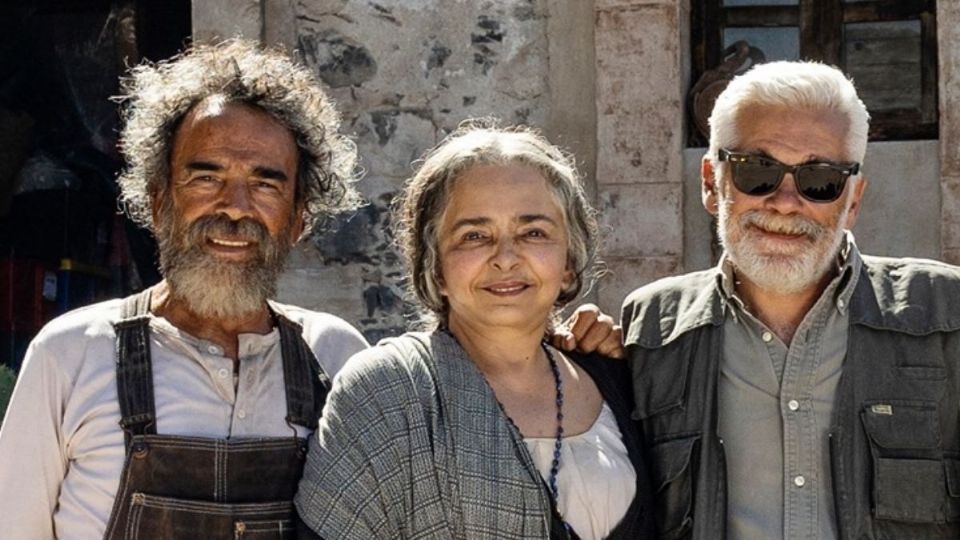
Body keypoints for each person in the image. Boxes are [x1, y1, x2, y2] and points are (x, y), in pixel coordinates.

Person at [0, 39, 370, 539]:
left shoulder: (336, 357)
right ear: (157, 202)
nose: (234, 206)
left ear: (299, 218)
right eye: (206, 177)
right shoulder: (71, 353)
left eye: (265, 184)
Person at [621, 60, 960, 539]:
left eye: (819, 180)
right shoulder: (650, 329)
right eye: (757, 171)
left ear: (854, 200)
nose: (784, 201)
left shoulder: (947, 315)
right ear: (710, 183)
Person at [294, 123, 654, 539]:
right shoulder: (387, 394)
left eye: (533, 232)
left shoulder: (618, 382)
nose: (506, 257)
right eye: (475, 236)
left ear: (569, 260)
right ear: (436, 267)